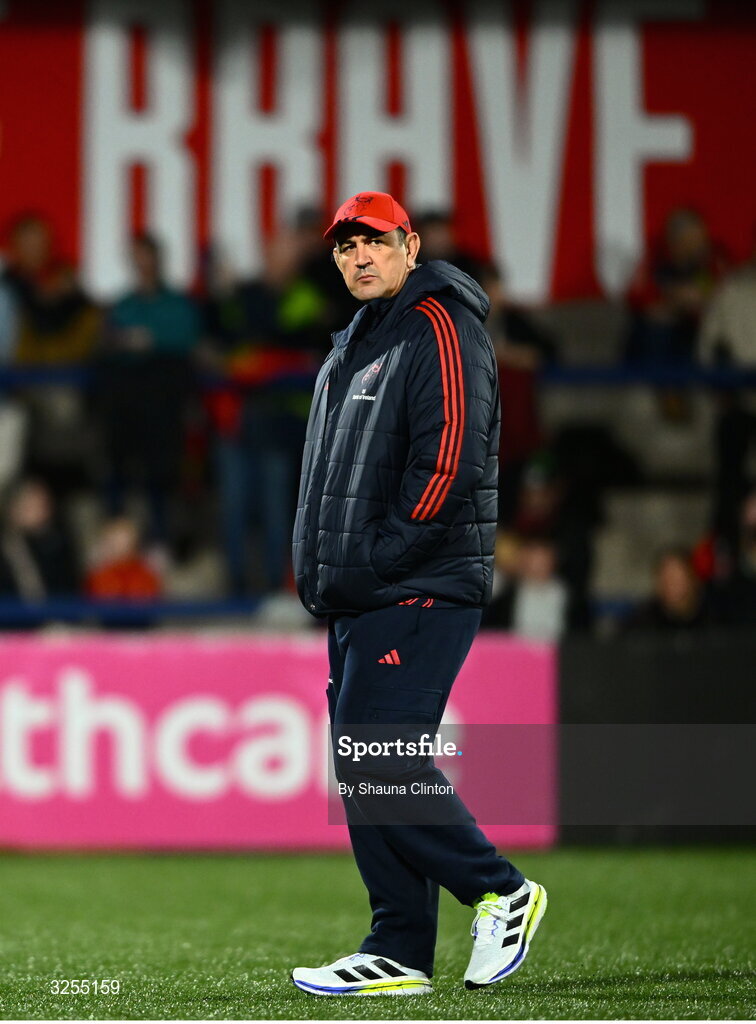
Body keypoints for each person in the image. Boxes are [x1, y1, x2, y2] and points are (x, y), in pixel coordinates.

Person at [291, 191, 547, 996]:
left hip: (419, 583)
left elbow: (450, 460)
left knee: (375, 756)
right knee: (366, 760)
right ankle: (398, 948)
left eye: (373, 243)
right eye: (344, 248)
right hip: (366, 588)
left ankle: (500, 890)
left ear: (410, 245)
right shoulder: (358, 339)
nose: (358, 258)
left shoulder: (440, 321)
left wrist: (378, 557)